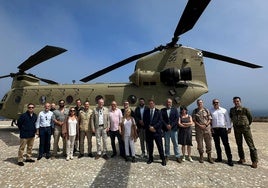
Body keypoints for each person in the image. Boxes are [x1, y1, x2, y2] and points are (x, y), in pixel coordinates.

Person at [230, 96, 258, 168]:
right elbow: (231, 118)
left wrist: (247, 125)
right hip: (237, 129)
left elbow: (250, 118)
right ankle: (242, 158)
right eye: (235, 101)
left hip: (245, 129)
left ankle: (254, 161)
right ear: (233, 102)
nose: (236, 102)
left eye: (237, 101)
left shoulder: (245, 109)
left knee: (251, 145)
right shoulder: (232, 110)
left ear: (240, 101)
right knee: (239, 145)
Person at [210, 99, 233, 166]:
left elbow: (228, 119)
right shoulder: (210, 111)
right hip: (215, 129)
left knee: (226, 144)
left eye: (217, 102)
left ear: (219, 103)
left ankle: (229, 159)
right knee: (217, 144)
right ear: (212, 103)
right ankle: (219, 158)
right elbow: (210, 121)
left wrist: (229, 128)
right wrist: (211, 128)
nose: (216, 103)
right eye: (214, 102)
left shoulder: (224, 110)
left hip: (222, 129)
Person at [144, 99, 166, 166]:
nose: (151, 105)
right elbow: (145, 121)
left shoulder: (158, 111)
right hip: (149, 132)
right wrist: (149, 127)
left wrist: (154, 127)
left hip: (157, 132)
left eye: (152, 103)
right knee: (150, 146)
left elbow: (160, 121)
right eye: (149, 104)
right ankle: (150, 158)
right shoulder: (146, 111)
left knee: (160, 146)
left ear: (154, 104)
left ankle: (163, 159)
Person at [192, 99, 214, 163]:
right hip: (199, 130)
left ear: (202, 103)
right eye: (198, 103)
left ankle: (209, 157)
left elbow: (210, 119)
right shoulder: (195, 111)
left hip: (207, 129)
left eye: (201, 103)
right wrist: (200, 125)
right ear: (197, 104)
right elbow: (194, 120)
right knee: (200, 143)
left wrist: (206, 124)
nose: (199, 104)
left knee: (209, 143)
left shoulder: (206, 110)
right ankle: (201, 156)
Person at [161, 98, 181, 163]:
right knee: (167, 143)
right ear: (165, 103)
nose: (168, 103)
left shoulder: (175, 110)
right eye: (167, 102)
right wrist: (166, 125)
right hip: (166, 130)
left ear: (171, 103)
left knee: (175, 143)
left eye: (169, 102)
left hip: (173, 129)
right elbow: (161, 119)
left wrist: (171, 125)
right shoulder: (162, 110)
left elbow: (176, 118)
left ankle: (177, 156)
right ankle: (167, 155)